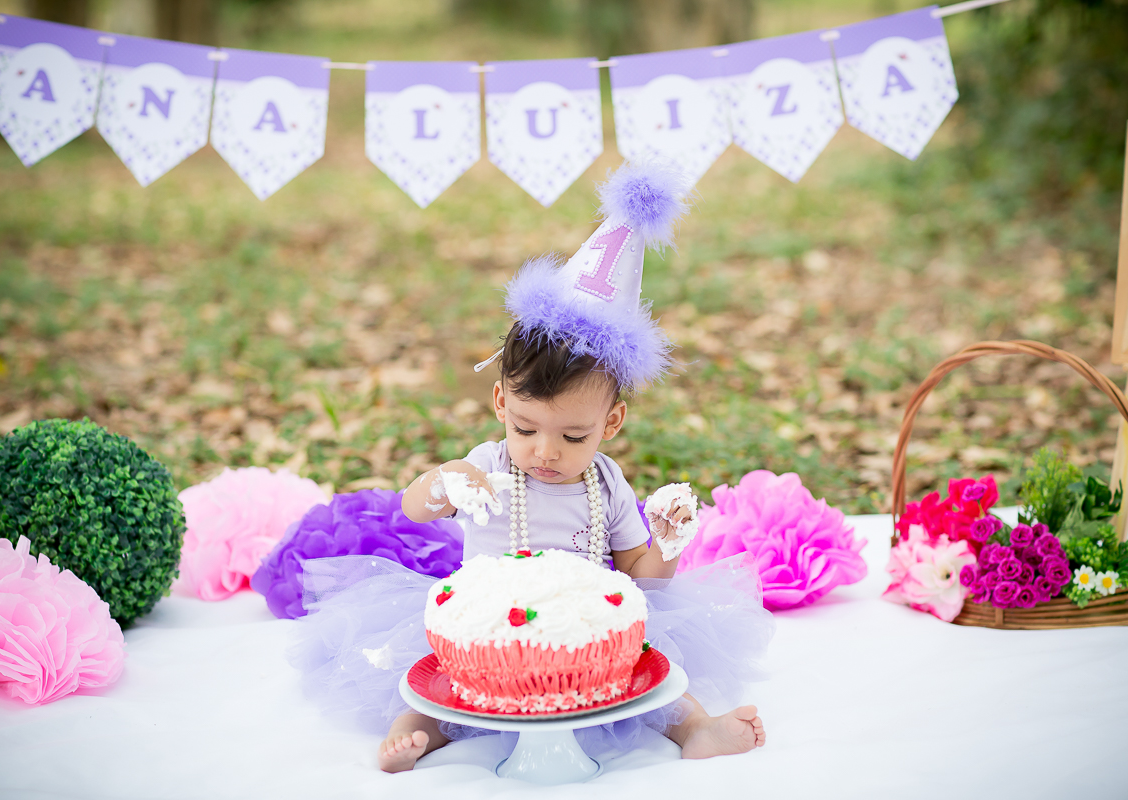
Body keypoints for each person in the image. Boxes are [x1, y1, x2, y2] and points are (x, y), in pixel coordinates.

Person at [289, 161, 775, 774]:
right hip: (486, 632)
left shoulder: (605, 484)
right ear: (500, 403)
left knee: (652, 667)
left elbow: (641, 578)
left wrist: (670, 545)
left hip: (581, 642)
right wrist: (443, 483)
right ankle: (415, 735)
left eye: (574, 435)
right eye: (525, 427)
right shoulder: (489, 466)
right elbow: (412, 509)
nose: (545, 451)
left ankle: (696, 728)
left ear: (613, 423)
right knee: (433, 675)